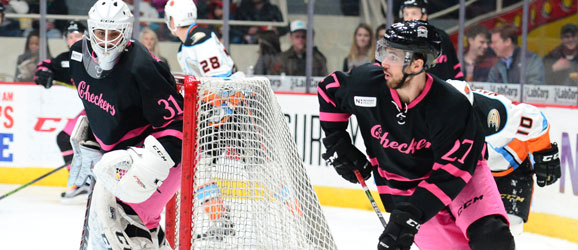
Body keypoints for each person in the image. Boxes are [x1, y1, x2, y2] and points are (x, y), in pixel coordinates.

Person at [318, 20, 515, 250]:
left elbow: (452, 172)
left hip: (461, 178)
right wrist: (337, 143)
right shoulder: (367, 86)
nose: (383, 62)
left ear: (416, 65)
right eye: (384, 52)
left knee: (493, 239)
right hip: (405, 188)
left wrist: (411, 213)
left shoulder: (450, 106)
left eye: (393, 56)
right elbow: (329, 90)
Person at [64, 0, 183, 248]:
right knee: (122, 225)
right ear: (90, 29)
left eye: (114, 33)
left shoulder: (142, 66)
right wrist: (93, 136)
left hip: (159, 155)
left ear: (126, 32)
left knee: (130, 223)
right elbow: (100, 102)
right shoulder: (77, 56)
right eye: (100, 32)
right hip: (119, 158)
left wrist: (150, 165)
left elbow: (180, 122)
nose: (106, 41)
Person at [445, 79, 561, 243]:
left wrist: (546, 154)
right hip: (471, 174)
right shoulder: (429, 116)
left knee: (508, 229)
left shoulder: (497, 115)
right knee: (462, 231)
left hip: (511, 170)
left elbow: (536, 120)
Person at [34, 21, 92, 201]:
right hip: (91, 109)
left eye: (78, 36)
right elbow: (45, 65)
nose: (74, 39)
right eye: (70, 36)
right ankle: (81, 181)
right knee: (64, 138)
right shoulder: (66, 60)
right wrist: (43, 74)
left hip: (108, 108)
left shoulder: (96, 56)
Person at [164, 0, 237, 77]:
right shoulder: (188, 42)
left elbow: (219, 80)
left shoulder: (202, 41)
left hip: (229, 87)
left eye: (170, 18)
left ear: (174, 22)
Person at [399, 0, 464, 81]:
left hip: (442, 90)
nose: (409, 18)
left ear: (424, 16)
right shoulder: (399, 40)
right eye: (406, 14)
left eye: (414, 13)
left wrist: (460, 86)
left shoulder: (441, 37)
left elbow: (455, 67)